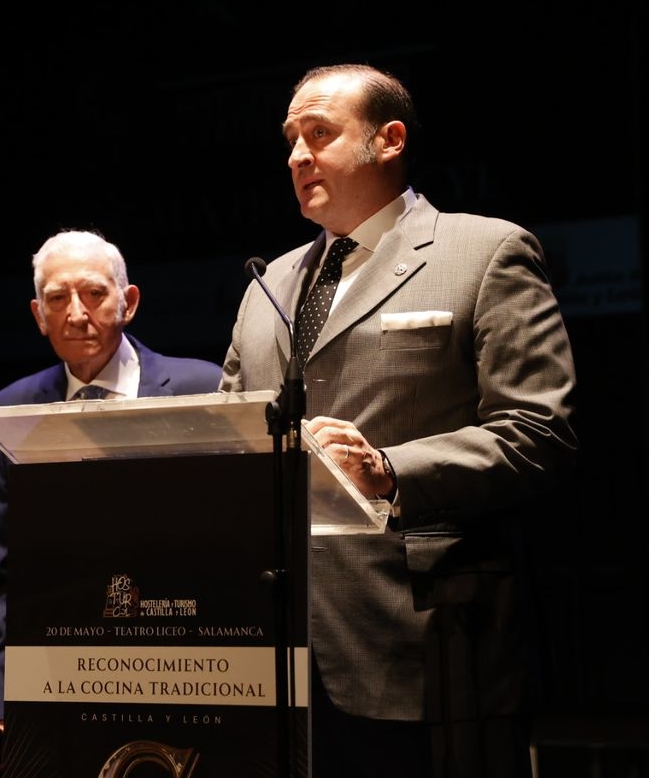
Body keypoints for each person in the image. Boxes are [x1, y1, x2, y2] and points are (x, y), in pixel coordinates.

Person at [219, 63, 577, 777]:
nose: (296, 155)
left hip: (427, 642)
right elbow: (231, 441)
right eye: (289, 139)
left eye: (318, 133)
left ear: (389, 139)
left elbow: (539, 432)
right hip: (269, 655)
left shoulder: (484, 252)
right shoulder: (268, 285)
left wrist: (389, 470)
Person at [0, 229, 223, 778]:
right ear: (38, 314)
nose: (75, 313)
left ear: (128, 302)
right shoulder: (11, 410)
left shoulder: (202, 388)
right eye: (57, 299)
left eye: (93, 294)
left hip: (189, 668)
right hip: (56, 676)